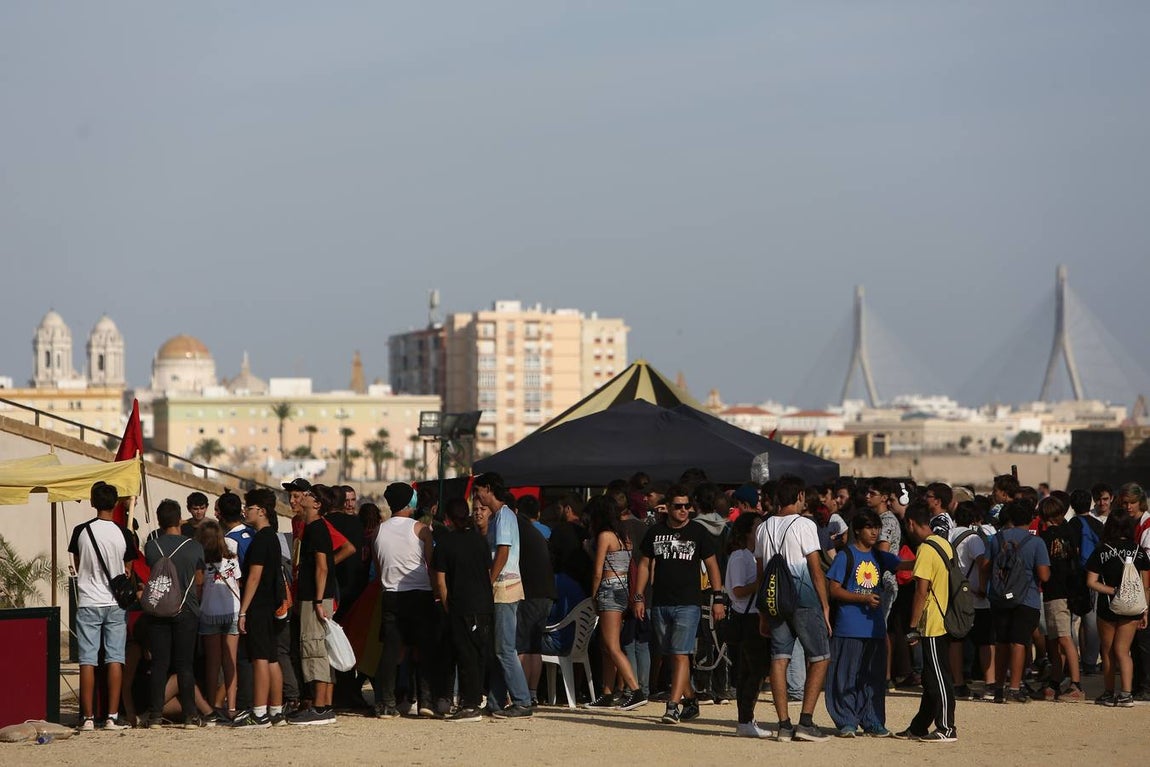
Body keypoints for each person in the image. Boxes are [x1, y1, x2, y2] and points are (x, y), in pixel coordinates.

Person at [634, 484, 726, 725]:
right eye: (679, 506)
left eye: (687, 506)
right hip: (661, 603)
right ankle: (692, 700)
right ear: (668, 508)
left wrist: (718, 597)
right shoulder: (655, 532)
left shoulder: (698, 532)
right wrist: (638, 596)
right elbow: (643, 564)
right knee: (672, 655)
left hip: (688, 603)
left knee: (680, 653)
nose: (684, 510)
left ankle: (673, 706)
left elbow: (713, 565)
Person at [754, 475, 831, 743]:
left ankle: (784, 724)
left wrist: (763, 611)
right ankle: (806, 722)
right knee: (820, 657)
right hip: (804, 599)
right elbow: (815, 568)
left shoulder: (763, 528)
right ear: (799, 496)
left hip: (774, 601)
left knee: (779, 658)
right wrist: (825, 606)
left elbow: (761, 573)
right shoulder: (805, 525)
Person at [826, 509, 903, 738]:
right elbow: (834, 589)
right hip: (848, 627)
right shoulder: (845, 556)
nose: (875, 532)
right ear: (857, 530)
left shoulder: (880, 557)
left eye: (876, 527)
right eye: (870, 527)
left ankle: (873, 721)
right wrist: (863, 598)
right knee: (845, 677)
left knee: (873, 678)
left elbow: (905, 565)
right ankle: (847, 721)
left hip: (874, 629)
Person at [69, 481, 137, 731]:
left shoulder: (81, 531)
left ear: (92, 502)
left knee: (87, 660)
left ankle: (87, 718)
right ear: (116, 503)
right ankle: (112, 715)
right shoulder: (123, 533)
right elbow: (128, 569)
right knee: (115, 658)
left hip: (88, 600)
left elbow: (77, 563)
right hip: (114, 602)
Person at [372, 482, 437, 719]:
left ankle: (385, 702)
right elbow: (431, 566)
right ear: (410, 502)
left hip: (390, 595)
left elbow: (379, 570)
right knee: (423, 648)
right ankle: (426, 701)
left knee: (392, 650)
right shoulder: (422, 529)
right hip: (420, 594)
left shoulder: (378, 531)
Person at [141, 499, 206, 729]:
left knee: (159, 664)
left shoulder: (151, 547)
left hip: (158, 610)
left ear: (159, 521)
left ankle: (156, 715)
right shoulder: (194, 547)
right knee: (185, 665)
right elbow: (199, 581)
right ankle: (190, 715)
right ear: (180, 519)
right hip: (186, 610)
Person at [895, 502, 957, 742]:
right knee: (932, 677)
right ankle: (919, 726)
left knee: (939, 677)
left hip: (933, 622)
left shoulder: (925, 549)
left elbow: (921, 591)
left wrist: (912, 627)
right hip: (946, 618)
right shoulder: (942, 544)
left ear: (910, 523)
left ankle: (947, 727)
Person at [473, 473, 533, 718]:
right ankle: (496, 702)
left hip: (504, 588)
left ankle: (522, 700)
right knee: (498, 649)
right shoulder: (500, 516)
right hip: (502, 588)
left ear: (488, 489)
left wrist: (488, 581)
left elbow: (503, 552)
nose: (477, 496)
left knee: (505, 649)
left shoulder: (505, 517)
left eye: (478, 491)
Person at [432, 498, 495, 722]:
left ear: (448, 519)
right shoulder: (480, 540)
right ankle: (475, 699)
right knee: (479, 654)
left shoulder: (445, 543)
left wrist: (448, 605)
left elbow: (440, 582)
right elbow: (488, 572)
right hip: (484, 604)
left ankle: (469, 705)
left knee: (465, 655)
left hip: (462, 605)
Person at [982, 500, 1050, 704]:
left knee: (1002, 642)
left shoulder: (997, 539)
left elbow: (985, 566)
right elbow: (1044, 576)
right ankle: (1014, 687)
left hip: (1000, 597)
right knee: (1019, 642)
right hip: (1026, 598)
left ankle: (999, 688)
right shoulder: (1036, 542)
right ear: (1030, 519)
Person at [586, 495, 646, 711]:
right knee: (607, 645)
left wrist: (593, 595)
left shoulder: (604, 536)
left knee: (611, 646)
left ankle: (635, 690)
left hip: (609, 589)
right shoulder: (624, 536)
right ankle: (607, 693)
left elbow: (597, 570)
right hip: (622, 589)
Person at [234, 489, 287, 728]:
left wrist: (243, 610)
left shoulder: (260, 539)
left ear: (262, 511)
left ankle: (260, 712)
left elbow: (254, 577)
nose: (245, 511)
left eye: (250, 507)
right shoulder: (272, 537)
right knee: (272, 658)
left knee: (260, 658)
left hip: (259, 606)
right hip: (271, 605)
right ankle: (275, 710)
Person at [1086, 511, 1150, 707]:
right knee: (1123, 651)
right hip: (1133, 607)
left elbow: (1091, 582)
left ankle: (1108, 692)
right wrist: (1145, 610)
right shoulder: (1139, 551)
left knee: (1108, 652)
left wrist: (1113, 590)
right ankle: (1126, 694)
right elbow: (1146, 585)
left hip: (1108, 605)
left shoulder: (1101, 550)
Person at [288, 484, 337, 725]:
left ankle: (319, 707)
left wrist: (318, 600)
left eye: (309, 495)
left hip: (315, 598)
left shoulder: (316, 528)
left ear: (317, 504)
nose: (303, 497)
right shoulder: (312, 527)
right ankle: (325, 704)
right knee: (321, 650)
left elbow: (322, 566)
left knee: (314, 649)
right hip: (317, 597)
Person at [726, 512, 772, 739]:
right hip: (746, 617)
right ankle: (745, 719)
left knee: (752, 669)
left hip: (756, 615)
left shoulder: (755, 555)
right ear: (747, 531)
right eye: (757, 527)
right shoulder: (740, 557)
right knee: (754, 670)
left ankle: (746, 717)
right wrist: (760, 582)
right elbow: (737, 590)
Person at [1037, 496, 1084, 701]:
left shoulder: (1048, 537)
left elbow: (1045, 570)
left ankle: (1075, 684)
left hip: (1055, 591)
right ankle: (1055, 682)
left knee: (1064, 638)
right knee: (1057, 640)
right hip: (1069, 590)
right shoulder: (1070, 532)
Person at [196, 519, 242, 719]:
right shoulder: (231, 555)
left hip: (209, 611)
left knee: (213, 663)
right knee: (230, 661)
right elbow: (238, 582)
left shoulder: (201, 560)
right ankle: (231, 706)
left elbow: (198, 588)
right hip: (232, 609)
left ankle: (212, 706)